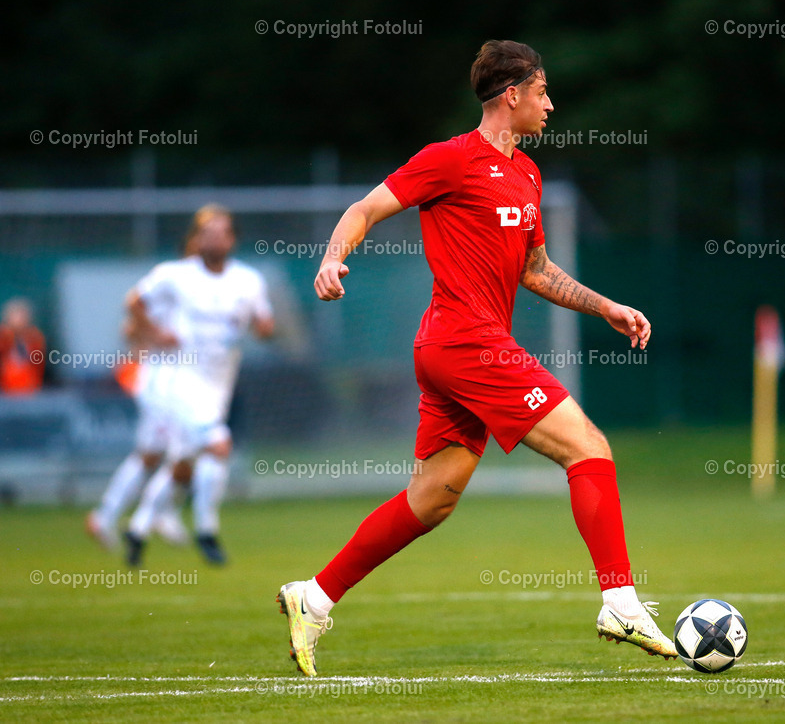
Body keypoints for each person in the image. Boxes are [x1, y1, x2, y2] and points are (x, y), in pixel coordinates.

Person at [276, 40, 676, 677]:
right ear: (512, 94)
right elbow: (365, 208)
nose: (551, 105)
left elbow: (536, 271)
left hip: (454, 349)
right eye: (543, 92)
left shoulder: (527, 173)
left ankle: (314, 597)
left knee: (433, 498)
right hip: (467, 342)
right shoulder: (450, 160)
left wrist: (605, 307)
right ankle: (620, 602)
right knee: (590, 449)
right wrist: (332, 257)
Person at [123, 204, 274, 566]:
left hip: (219, 384)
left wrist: (263, 328)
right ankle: (207, 530)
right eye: (206, 232)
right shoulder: (175, 274)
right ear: (196, 238)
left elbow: (265, 325)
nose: (213, 238)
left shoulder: (248, 281)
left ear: (232, 239)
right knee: (219, 445)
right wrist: (156, 332)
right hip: (182, 380)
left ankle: (138, 528)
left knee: (184, 463)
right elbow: (135, 302)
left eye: (221, 232)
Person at [86, 234, 202, 551]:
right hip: (162, 382)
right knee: (186, 448)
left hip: (184, 381)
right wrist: (156, 335)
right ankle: (157, 514)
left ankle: (109, 516)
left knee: (154, 454)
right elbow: (130, 323)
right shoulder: (170, 279)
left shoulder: (204, 287)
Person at [0, 298, 46, 395]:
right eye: (15, 316)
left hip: (30, 388)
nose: (19, 320)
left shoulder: (34, 337)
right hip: (5, 389)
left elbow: (38, 362)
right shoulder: (3, 336)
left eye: (22, 316)